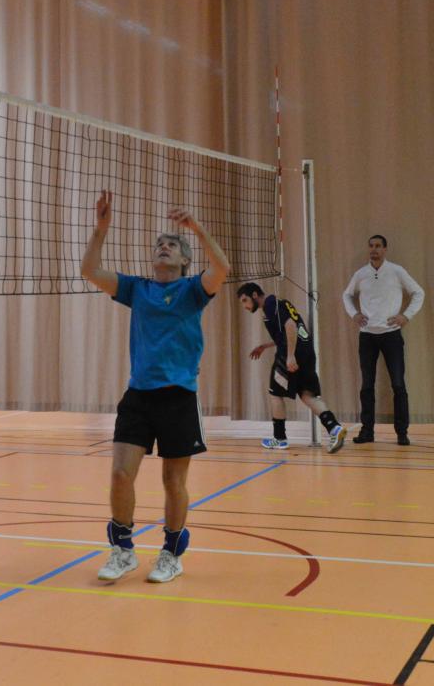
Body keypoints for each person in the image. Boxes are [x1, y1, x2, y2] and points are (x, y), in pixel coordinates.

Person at [81, 190, 230, 584]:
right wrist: (101, 229)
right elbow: (90, 271)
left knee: (173, 482)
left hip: (179, 396)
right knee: (120, 474)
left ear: (184, 260)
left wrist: (195, 228)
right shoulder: (138, 288)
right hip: (139, 395)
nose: (163, 247)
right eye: (160, 244)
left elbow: (222, 267)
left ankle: (171, 554)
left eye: (172, 245)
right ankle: (123, 550)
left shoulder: (193, 289)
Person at [237, 282, 345, 452]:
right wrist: (265, 346)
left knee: (275, 394)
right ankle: (334, 428)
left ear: (255, 295)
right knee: (307, 395)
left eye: (245, 300)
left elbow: (290, 326)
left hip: (291, 353)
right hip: (306, 351)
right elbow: (285, 333)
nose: (244, 306)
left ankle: (279, 438)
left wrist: (290, 356)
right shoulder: (279, 303)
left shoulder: (270, 304)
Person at [341, 235, 425, 445]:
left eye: (378, 246)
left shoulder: (396, 271)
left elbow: (418, 292)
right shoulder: (361, 274)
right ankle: (367, 431)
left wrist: (406, 316)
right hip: (367, 336)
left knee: (398, 384)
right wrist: (354, 314)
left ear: (385, 249)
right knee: (367, 385)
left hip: (391, 335)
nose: (374, 249)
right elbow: (347, 295)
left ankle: (402, 432)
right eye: (371, 246)